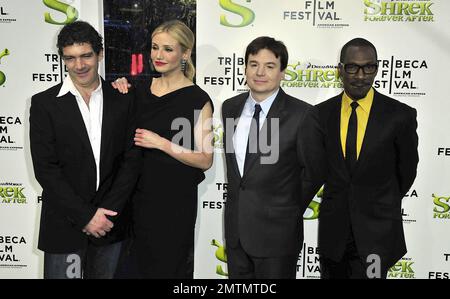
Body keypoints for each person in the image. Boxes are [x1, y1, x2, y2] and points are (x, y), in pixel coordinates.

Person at [29, 21, 137, 279]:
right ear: (63, 60)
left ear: (100, 54)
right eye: (71, 58)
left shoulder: (123, 98)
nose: (79, 65)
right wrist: (87, 216)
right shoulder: (44, 104)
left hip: (111, 225)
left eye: (86, 55)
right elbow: (46, 170)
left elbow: (131, 161)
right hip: (64, 225)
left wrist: (105, 214)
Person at [112, 20, 214, 278]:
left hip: (173, 204)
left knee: (169, 269)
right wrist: (115, 91)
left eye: (168, 49)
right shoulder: (138, 91)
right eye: (155, 47)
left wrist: (162, 143)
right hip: (135, 202)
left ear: (185, 53)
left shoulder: (198, 99)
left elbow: (205, 159)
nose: (158, 55)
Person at [221, 36, 326, 279]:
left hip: (278, 236)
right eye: (253, 64)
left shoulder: (303, 114)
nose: (260, 72)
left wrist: (286, 207)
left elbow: (315, 171)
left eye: (269, 66)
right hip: (236, 232)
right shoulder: (230, 108)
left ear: (282, 73)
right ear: (245, 68)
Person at [316, 38, 419, 279]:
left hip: (376, 236)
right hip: (334, 236)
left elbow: (407, 173)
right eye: (352, 67)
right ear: (340, 70)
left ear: (377, 68)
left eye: (368, 67)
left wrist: (376, 201)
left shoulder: (400, 115)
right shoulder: (321, 114)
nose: (361, 76)